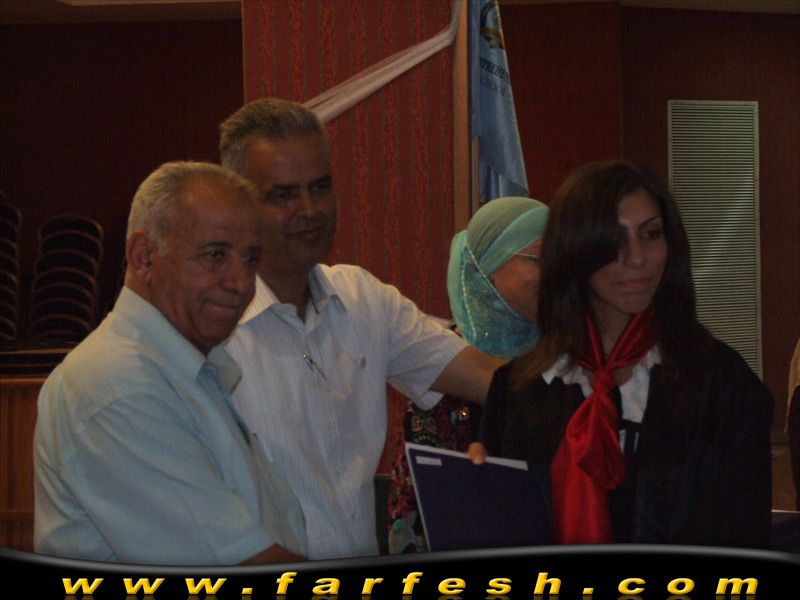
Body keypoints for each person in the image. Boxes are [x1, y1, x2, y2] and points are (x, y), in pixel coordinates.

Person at [218, 98, 504, 560]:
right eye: (283, 195)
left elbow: (493, 380)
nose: (309, 210)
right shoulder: (209, 331)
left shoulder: (362, 299)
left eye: (320, 187)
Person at [474, 160, 773, 548]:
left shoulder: (724, 385)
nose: (637, 258)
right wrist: (475, 494)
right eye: (614, 238)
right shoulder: (516, 390)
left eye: (651, 234)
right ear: (575, 249)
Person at [34, 161, 307, 565]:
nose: (241, 282)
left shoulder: (184, 369)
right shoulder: (118, 386)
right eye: (215, 255)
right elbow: (239, 563)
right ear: (144, 257)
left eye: (250, 259)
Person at [387, 196, 549, 554]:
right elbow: (412, 515)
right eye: (540, 259)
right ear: (489, 267)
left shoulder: (568, 357)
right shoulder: (442, 362)